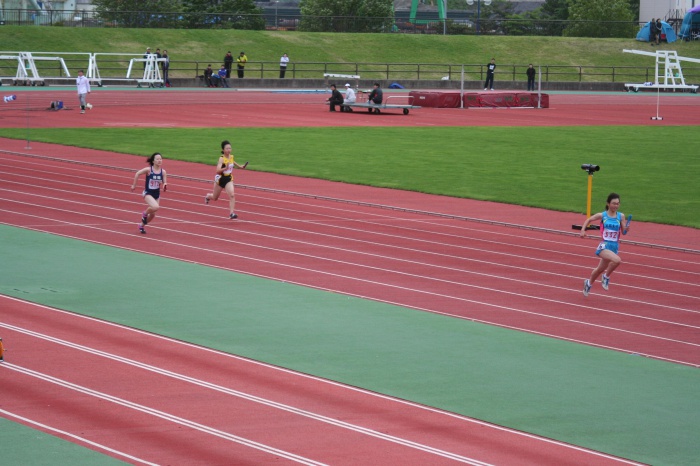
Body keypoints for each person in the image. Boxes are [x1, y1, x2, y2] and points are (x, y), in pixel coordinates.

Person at [580, 192, 630, 297]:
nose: (616, 205)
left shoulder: (621, 216)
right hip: (604, 245)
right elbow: (589, 219)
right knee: (617, 260)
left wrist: (627, 228)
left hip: (614, 246)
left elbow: (624, 232)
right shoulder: (603, 215)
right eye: (614, 203)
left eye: (618, 204)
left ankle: (588, 283)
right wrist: (583, 230)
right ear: (608, 204)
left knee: (599, 269)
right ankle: (606, 277)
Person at [204, 140, 247, 219]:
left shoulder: (231, 157)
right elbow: (217, 170)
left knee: (232, 195)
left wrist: (240, 166)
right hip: (220, 179)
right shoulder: (221, 159)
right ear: (223, 150)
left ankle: (231, 213)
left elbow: (232, 162)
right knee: (215, 198)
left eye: (230, 148)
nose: (229, 150)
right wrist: (225, 168)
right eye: (227, 148)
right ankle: (207, 196)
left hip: (228, 178)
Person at [131, 152, 167, 234]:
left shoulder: (163, 172)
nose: (159, 160)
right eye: (157, 159)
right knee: (155, 207)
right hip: (148, 193)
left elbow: (165, 182)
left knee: (153, 214)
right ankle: (145, 213)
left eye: (160, 159)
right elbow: (137, 173)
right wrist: (134, 185)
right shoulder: (149, 170)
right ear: (153, 161)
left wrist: (165, 185)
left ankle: (141, 225)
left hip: (156, 194)